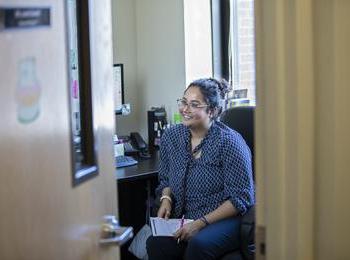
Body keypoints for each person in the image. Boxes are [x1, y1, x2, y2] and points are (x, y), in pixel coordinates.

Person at [146, 78, 255, 260]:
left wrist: (200, 223)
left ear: (212, 111)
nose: (185, 109)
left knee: (199, 245)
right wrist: (166, 199)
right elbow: (166, 179)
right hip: (186, 216)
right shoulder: (171, 137)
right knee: (156, 243)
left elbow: (241, 197)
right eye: (183, 102)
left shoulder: (229, 142)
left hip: (224, 218)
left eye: (194, 104)